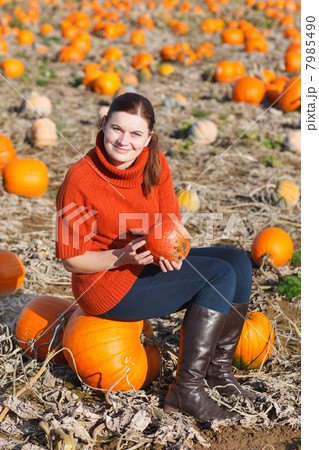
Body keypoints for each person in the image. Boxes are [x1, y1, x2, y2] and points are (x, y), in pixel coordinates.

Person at [55, 92, 255, 423]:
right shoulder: (81, 179)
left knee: (237, 262)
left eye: (135, 134)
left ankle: (218, 372)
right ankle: (185, 391)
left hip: (144, 267)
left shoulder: (155, 164)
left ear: (148, 137)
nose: (123, 140)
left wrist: (176, 250)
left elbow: (172, 222)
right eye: (117, 129)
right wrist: (120, 256)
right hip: (104, 286)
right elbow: (72, 260)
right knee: (218, 276)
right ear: (104, 125)